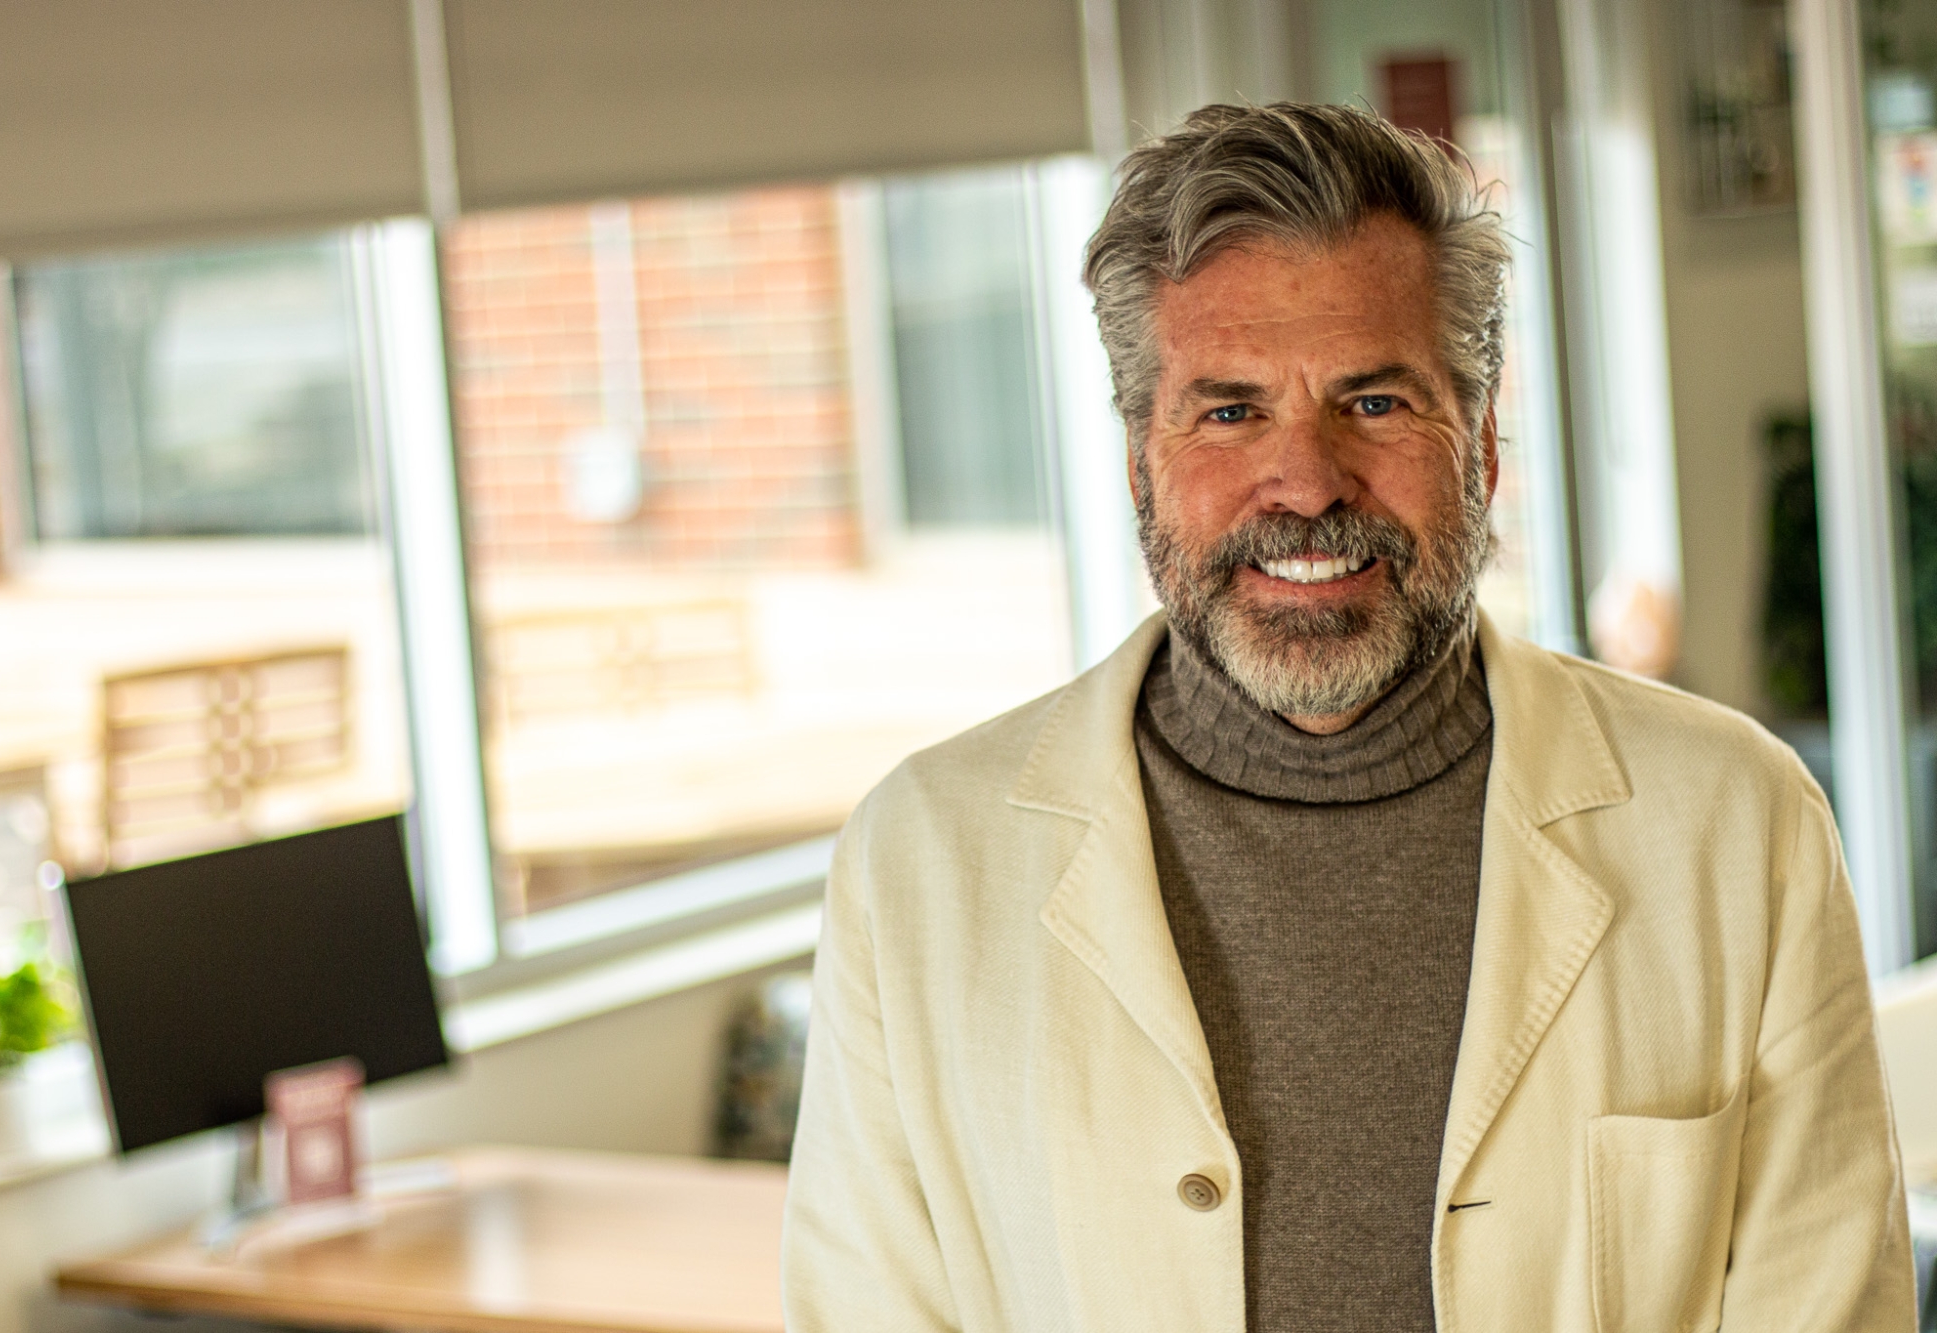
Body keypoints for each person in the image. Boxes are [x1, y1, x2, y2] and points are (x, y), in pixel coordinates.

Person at [782, 102, 1913, 1332]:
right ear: (1134, 463)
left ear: (1479, 441)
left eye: (1375, 404)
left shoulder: (1734, 825)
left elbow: (1828, 1304)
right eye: (1227, 412)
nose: (1308, 481)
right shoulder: (918, 866)